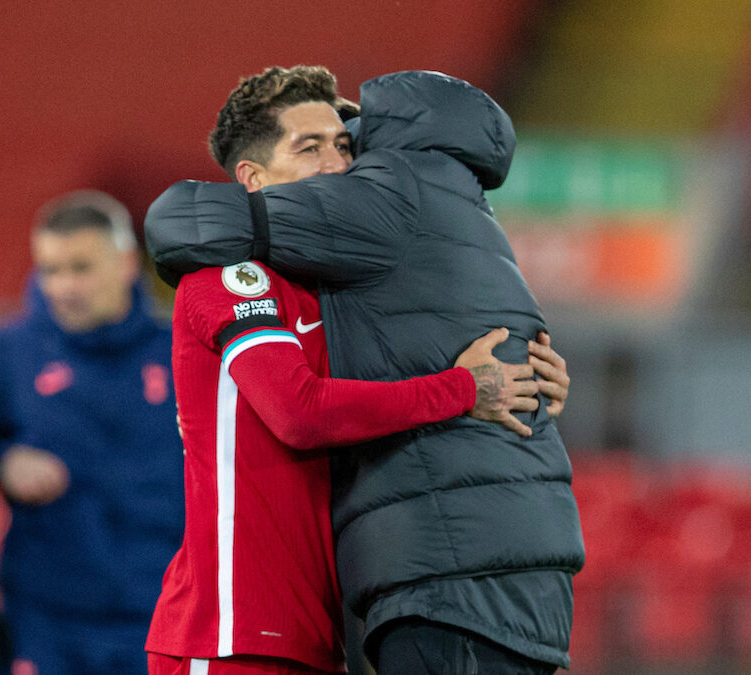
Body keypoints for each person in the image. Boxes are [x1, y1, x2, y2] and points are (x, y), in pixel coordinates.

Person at [145, 67, 584, 673]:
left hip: (324, 632)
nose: (336, 162)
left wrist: (532, 373)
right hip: (231, 628)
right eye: (310, 147)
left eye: (344, 145)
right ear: (252, 180)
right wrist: (459, 389)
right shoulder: (229, 280)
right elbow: (300, 412)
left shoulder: (341, 297)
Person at [0, 191, 184, 675]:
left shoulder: (181, 352)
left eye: (81, 267)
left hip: (164, 613)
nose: (64, 286)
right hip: (46, 619)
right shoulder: (5, 353)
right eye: (50, 269)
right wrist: (3, 460)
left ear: (127, 263)